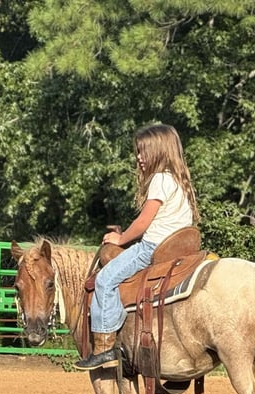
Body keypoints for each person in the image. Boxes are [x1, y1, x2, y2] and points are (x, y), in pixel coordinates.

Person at [75, 123, 200, 371]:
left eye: (143, 152)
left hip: (151, 248)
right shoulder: (179, 180)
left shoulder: (159, 180)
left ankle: (105, 346)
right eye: (138, 152)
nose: (139, 158)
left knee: (104, 280)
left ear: (159, 152)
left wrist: (119, 240)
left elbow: (143, 223)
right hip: (180, 249)